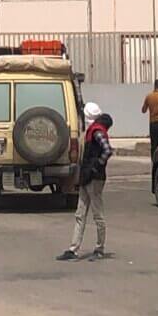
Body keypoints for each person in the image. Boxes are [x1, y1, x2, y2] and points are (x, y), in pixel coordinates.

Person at [59, 104, 113, 262]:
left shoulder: (96, 132)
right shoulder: (91, 132)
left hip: (94, 179)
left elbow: (107, 150)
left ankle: (99, 248)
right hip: (86, 178)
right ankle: (73, 249)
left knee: (98, 215)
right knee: (80, 214)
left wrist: (96, 167)